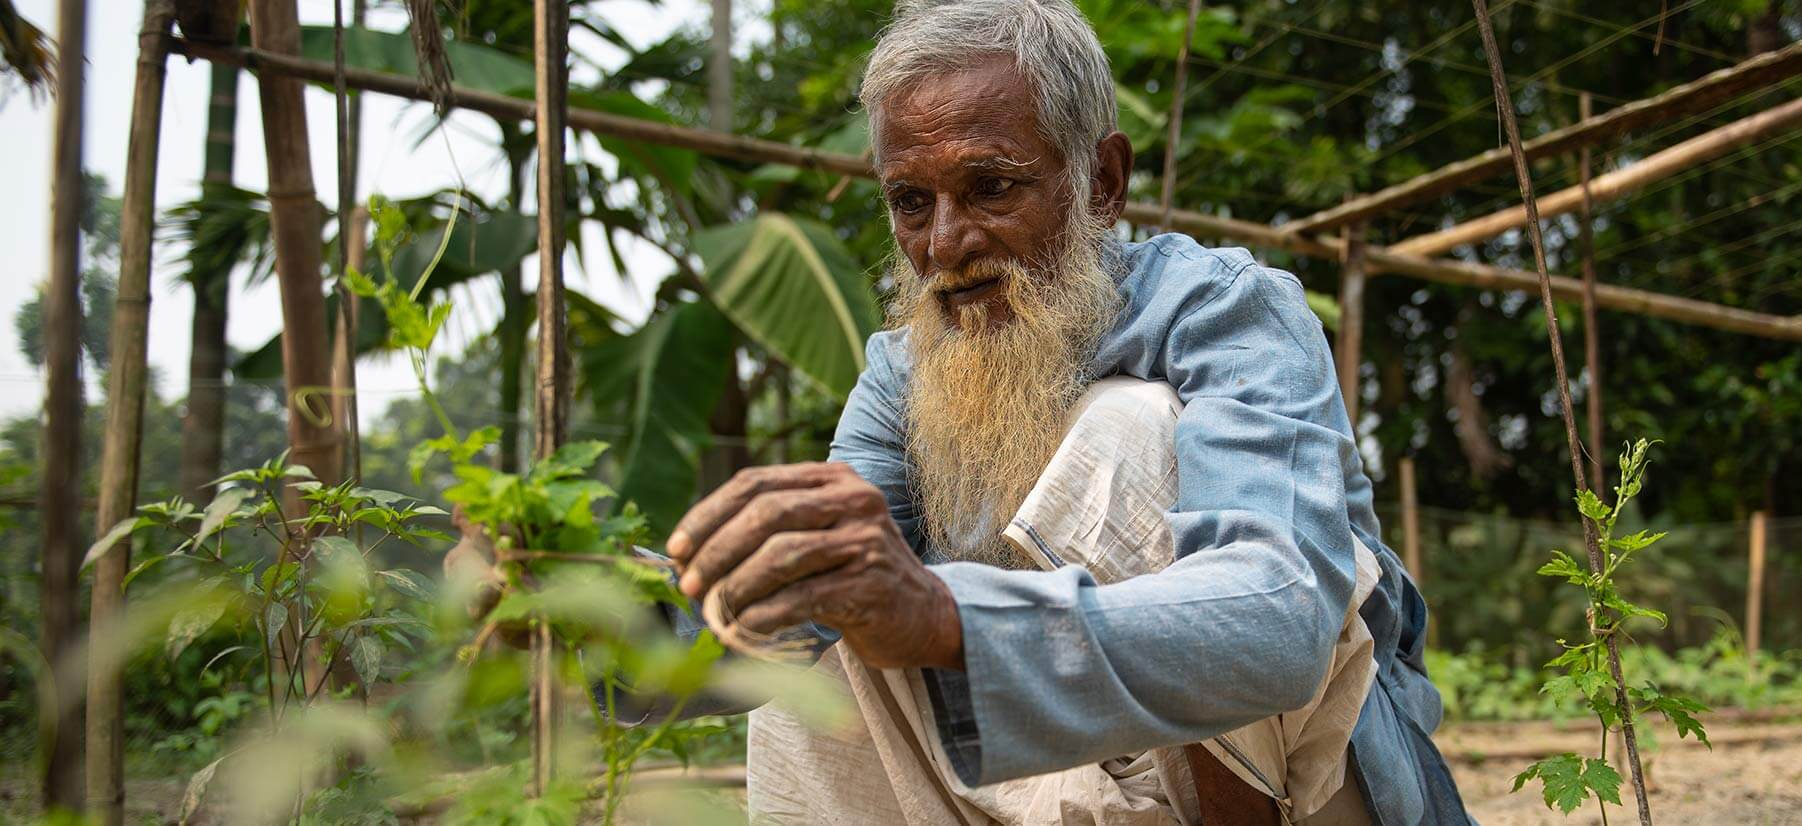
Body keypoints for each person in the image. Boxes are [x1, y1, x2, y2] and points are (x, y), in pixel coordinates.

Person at [453, 0, 1470, 821]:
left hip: (1311, 794)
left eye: (990, 187)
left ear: (1100, 182)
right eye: (909, 202)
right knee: (826, 572)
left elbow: (1279, 620)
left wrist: (942, 614)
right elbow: (755, 634)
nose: (944, 245)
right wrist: (578, 616)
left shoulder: (1222, 308)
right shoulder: (902, 371)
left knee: (1124, 435)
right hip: (1058, 787)